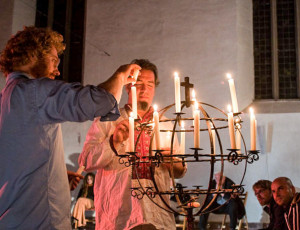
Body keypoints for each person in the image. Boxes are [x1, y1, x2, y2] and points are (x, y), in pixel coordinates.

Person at [0, 26, 140, 229]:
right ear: (33, 55)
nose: (57, 70)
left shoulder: (7, 98)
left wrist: (53, 174)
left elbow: (14, 162)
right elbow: (98, 101)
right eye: (54, 60)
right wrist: (120, 76)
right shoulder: (33, 93)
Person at [78, 59, 187, 230]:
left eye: (150, 84)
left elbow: (179, 171)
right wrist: (114, 141)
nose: (145, 89)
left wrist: (175, 164)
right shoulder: (109, 118)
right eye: (139, 83)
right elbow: (86, 161)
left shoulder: (165, 124)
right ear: (128, 86)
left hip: (158, 212)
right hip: (119, 213)